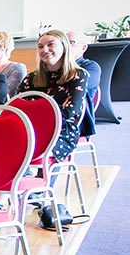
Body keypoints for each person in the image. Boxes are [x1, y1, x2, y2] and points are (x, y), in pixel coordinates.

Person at [17, 29, 87, 160]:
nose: (45, 49)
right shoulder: (31, 78)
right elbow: (18, 108)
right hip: (31, 130)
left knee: (24, 149)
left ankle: (38, 177)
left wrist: (36, 115)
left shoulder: (77, 75)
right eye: (40, 46)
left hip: (61, 132)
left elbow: (69, 112)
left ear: (64, 47)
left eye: (50, 44)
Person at [66, 30, 102, 138]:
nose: (66, 46)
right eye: (64, 43)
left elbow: (78, 86)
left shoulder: (91, 67)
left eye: (71, 43)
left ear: (83, 48)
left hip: (76, 121)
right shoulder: (52, 68)